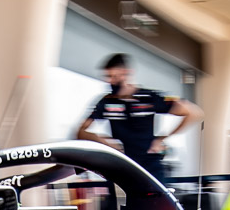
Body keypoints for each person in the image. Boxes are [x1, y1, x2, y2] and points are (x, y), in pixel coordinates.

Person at [76, 53, 202, 183]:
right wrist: (102, 140)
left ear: (126, 73)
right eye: (107, 76)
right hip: (121, 165)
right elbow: (80, 131)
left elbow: (194, 112)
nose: (110, 81)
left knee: (156, 202)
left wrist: (162, 138)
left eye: (114, 76)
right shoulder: (105, 102)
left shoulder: (149, 97)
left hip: (150, 167)